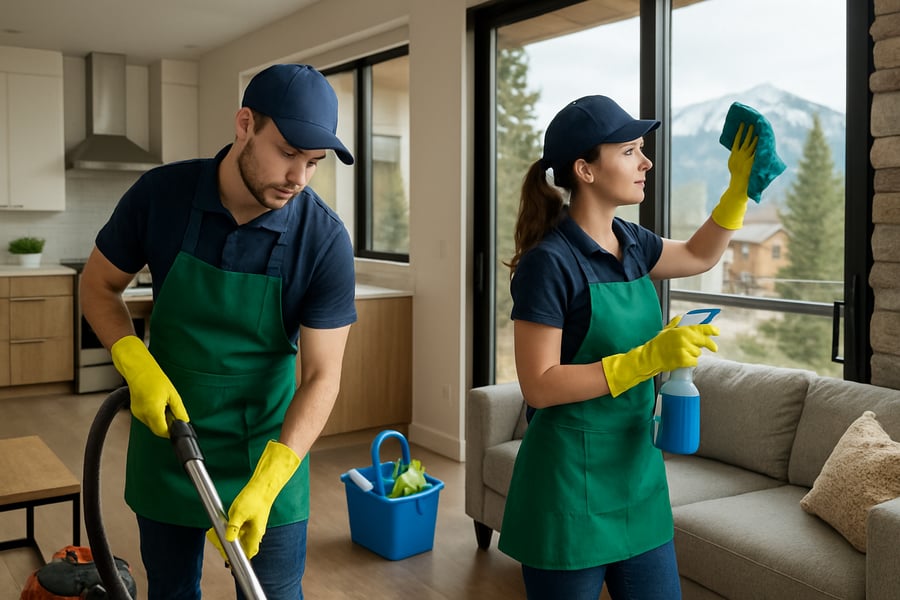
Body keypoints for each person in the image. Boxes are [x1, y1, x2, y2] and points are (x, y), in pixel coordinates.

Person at [80, 63, 357, 600]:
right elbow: (98, 286)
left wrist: (271, 479)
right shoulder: (161, 196)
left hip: (267, 452)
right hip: (168, 440)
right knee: (171, 589)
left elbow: (322, 376)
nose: (298, 177)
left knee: (274, 592)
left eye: (312, 162)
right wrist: (133, 359)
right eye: (287, 152)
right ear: (245, 124)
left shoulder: (322, 240)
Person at [497, 95, 757, 599]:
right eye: (629, 151)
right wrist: (649, 358)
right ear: (585, 170)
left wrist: (736, 191)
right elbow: (539, 385)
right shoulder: (549, 263)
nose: (646, 163)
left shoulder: (632, 241)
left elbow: (699, 254)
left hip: (637, 474)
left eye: (642, 149)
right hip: (568, 486)